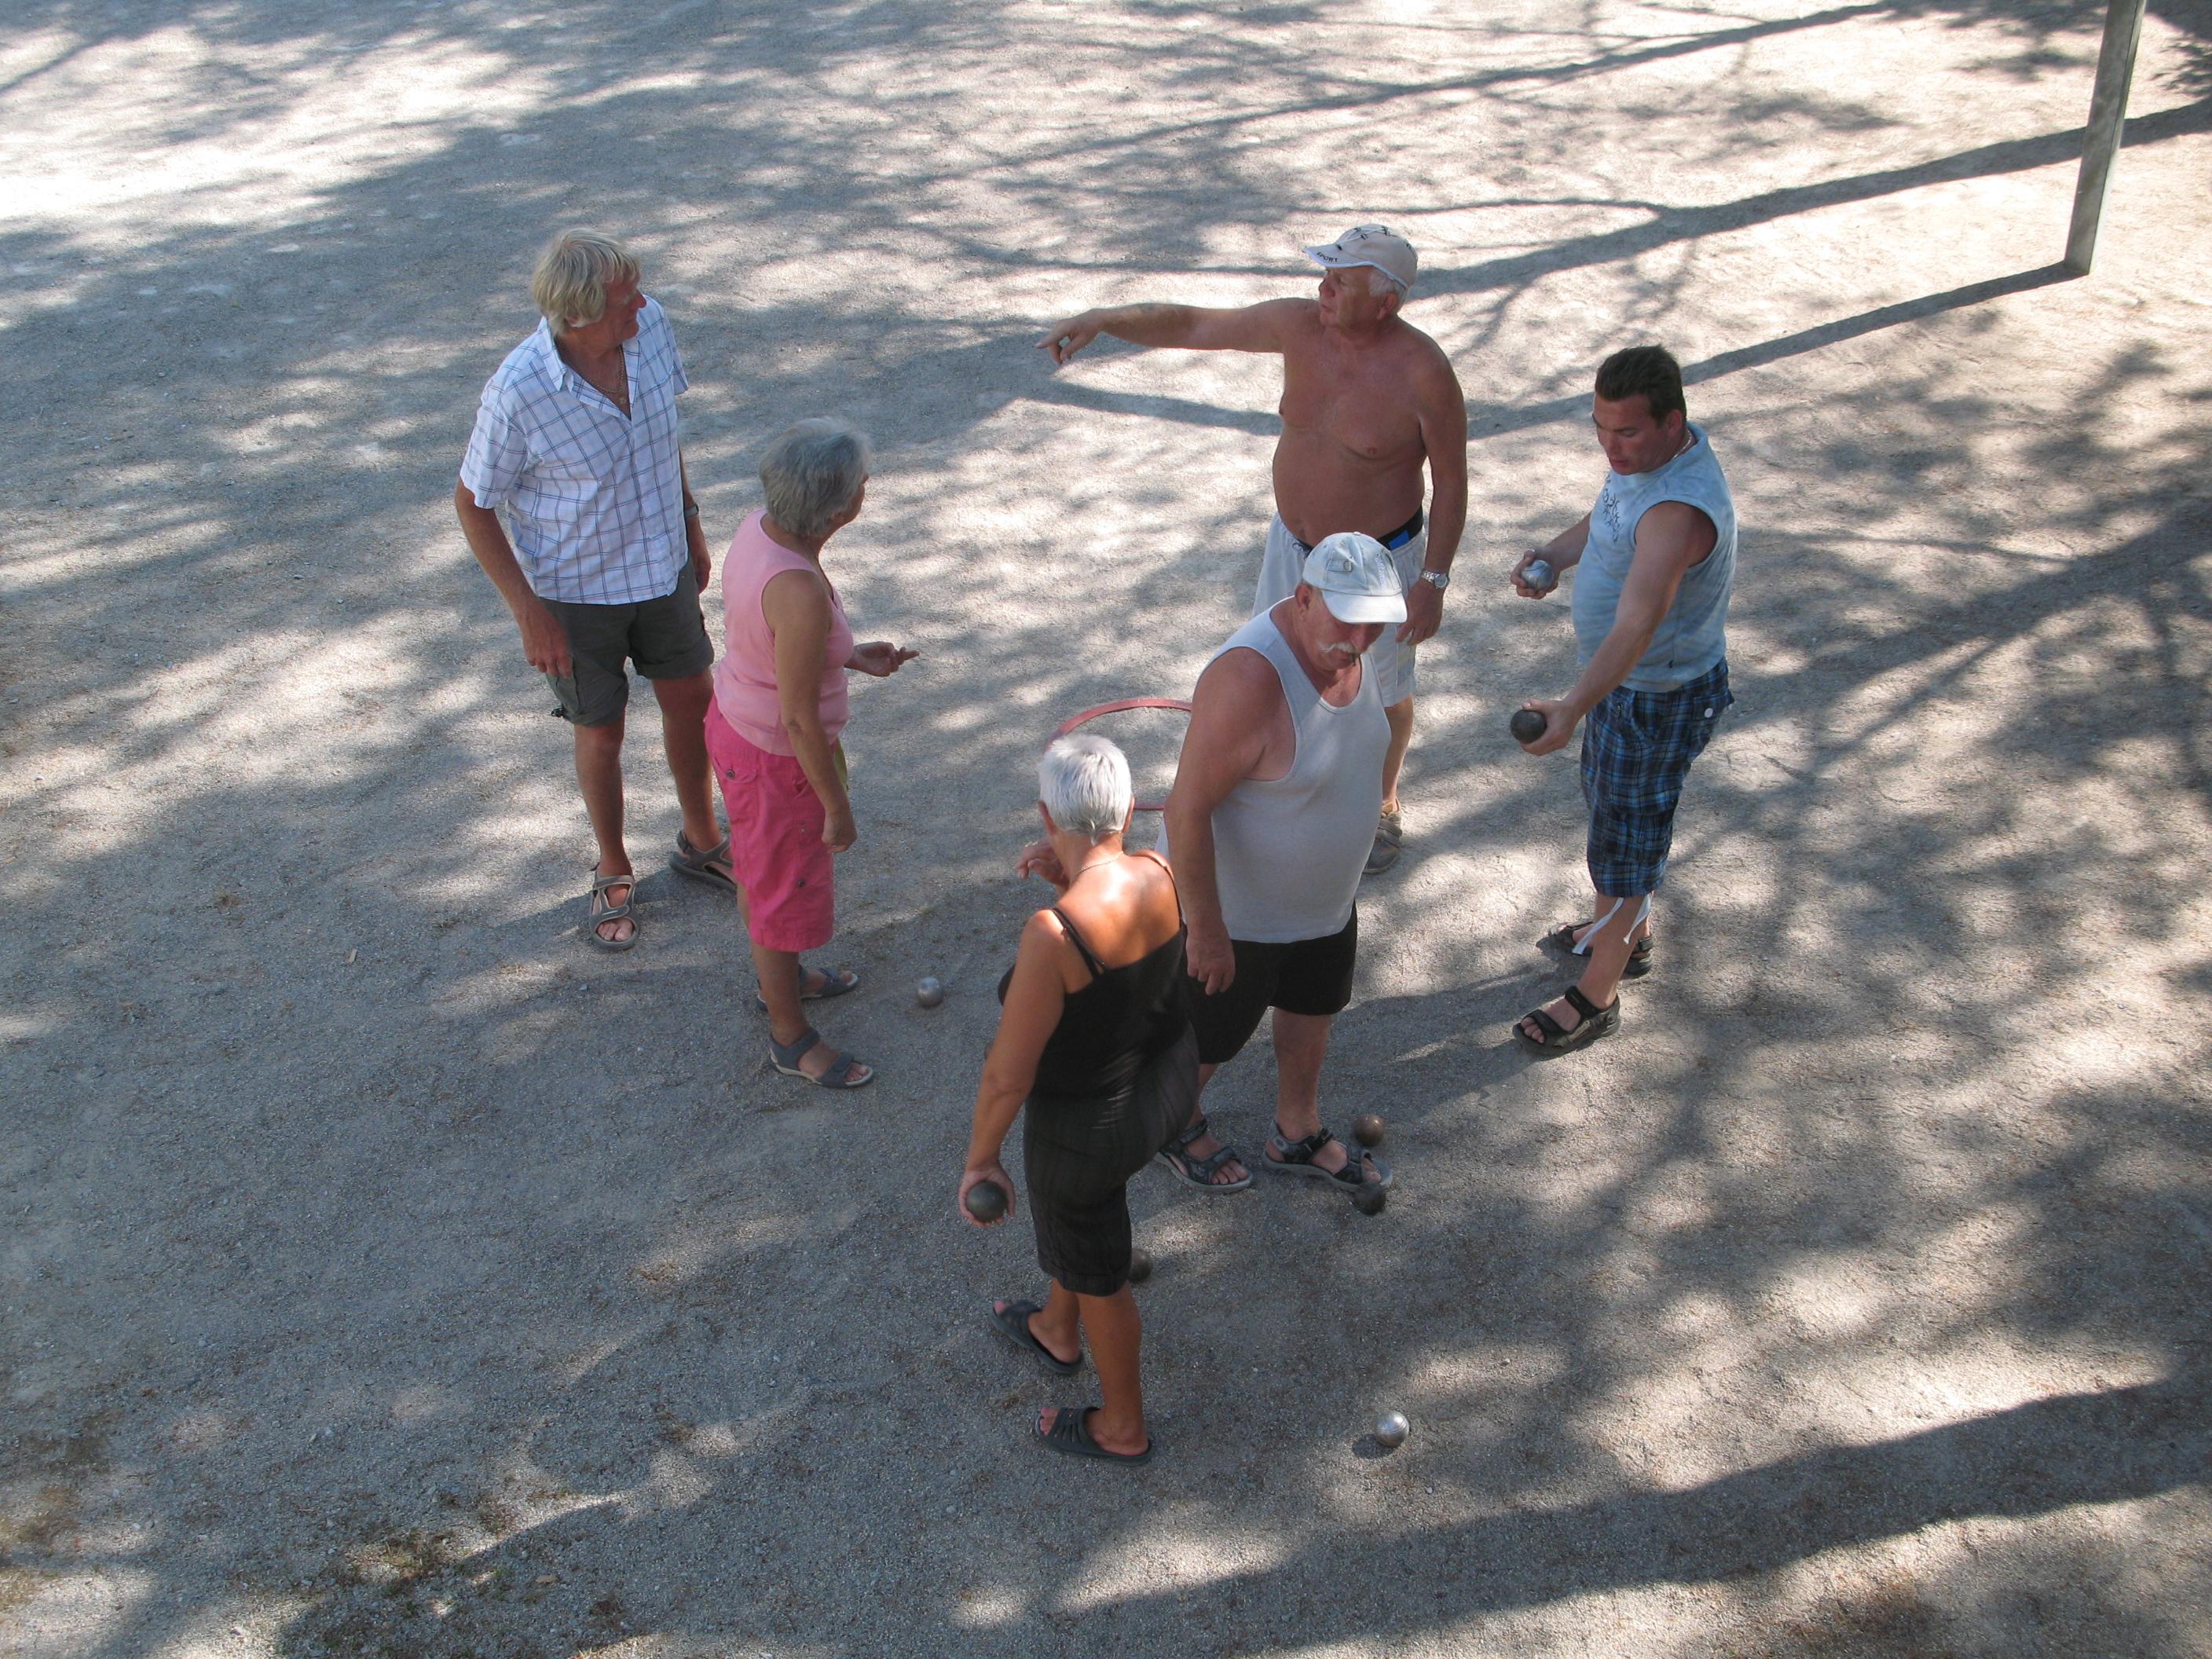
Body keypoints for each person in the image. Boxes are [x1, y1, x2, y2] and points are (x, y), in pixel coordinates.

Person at [1037, 225, 1469, 877]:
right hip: (1293, 548)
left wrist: (1432, 579)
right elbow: (1195, 324)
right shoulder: (1298, 327)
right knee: (1271, 667)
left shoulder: (1423, 373)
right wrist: (1106, 319)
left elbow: (1454, 479)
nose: (1321, 289)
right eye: (1323, 274)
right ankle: (1271, 775)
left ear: (1386, 302)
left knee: (1383, 684)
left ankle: (1381, 798)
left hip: (1381, 559)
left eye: (1339, 281)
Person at [456, 229, 731, 952]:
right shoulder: (519, 392)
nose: (641, 304)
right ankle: (612, 864)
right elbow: (473, 503)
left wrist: (692, 524)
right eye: (623, 299)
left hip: (662, 564)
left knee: (691, 701)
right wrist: (529, 613)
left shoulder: (651, 328)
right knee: (601, 730)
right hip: (576, 593)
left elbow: (663, 437)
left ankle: (701, 839)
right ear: (575, 317)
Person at [961, 736, 1196, 1465]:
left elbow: (1007, 1077)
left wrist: (981, 1160)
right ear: (1129, 809)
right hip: (1164, 1093)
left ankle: (1122, 1425)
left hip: (1086, 1134)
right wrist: (1072, 874)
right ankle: (1057, 1331)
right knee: (1083, 1239)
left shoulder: (1053, 933)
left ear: (1044, 813)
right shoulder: (1162, 870)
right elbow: (1116, 943)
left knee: (1103, 1275)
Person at [1507, 344, 1738, 1053]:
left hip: (1652, 698)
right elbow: (1605, 518)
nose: (1612, 448)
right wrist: (1554, 553)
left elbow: (1639, 623)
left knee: (1628, 843)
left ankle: (1597, 995)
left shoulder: (1677, 511)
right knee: (1614, 821)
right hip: (1621, 689)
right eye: (1601, 430)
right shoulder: (1641, 468)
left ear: (1674, 422)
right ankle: (1624, 935)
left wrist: (1573, 706)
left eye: (1628, 433)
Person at [1154, 534, 1399, 1195]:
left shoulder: (1351, 644)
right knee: (1207, 1042)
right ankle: (1174, 1122)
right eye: (1345, 616)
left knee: (1312, 1008)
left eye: (1375, 619)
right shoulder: (1248, 679)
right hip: (1243, 921)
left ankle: (1296, 1129)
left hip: (1325, 904)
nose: (1361, 635)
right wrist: (1204, 929)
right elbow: (1184, 810)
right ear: (1302, 596)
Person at [706, 419, 918, 1088]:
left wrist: (847, 656)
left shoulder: (759, 530)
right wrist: (836, 807)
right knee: (777, 892)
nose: (866, 489)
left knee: (764, 871)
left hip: (739, 725)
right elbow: (799, 719)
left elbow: (773, 644)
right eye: (861, 485)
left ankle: (785, 981)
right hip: (779, 761)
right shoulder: (797, 592)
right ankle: (789, 1036)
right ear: (837, 511)